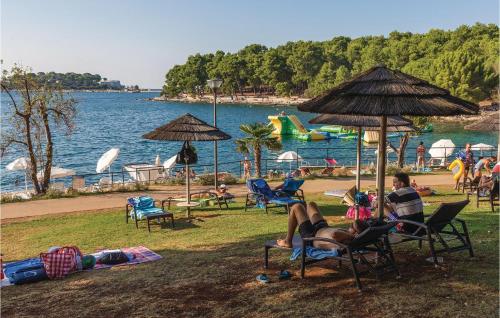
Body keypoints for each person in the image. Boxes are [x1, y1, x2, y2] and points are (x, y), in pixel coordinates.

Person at [276, 202, 367, 249]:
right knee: (311, 205)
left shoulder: (349, 237)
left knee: (296, 207)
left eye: (351, 226)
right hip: (322, 228)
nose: (349, 226)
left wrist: (351, 235)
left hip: (312, 236)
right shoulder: (349, 234)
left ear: (355, 232)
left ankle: (287, 241)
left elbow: (335, 234)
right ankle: (305, 219)